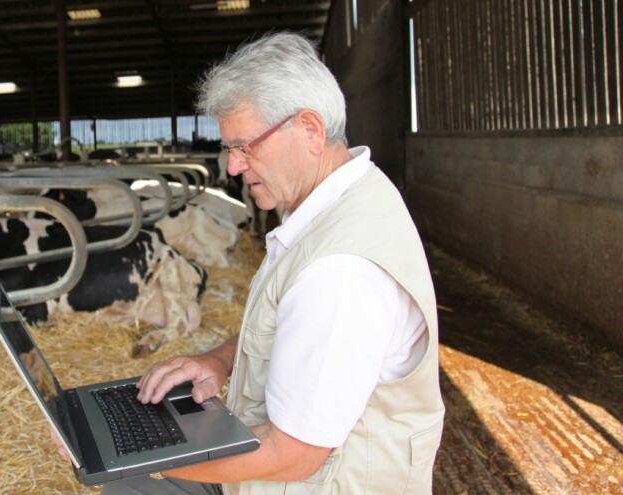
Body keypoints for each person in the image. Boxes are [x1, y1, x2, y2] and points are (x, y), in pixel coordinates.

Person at [57, 31, 445, 495]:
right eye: (229, 149)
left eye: (247, 146)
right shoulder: (339, 202)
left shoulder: (338, 274)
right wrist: (219, 361)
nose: (233, 168)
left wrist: (137, 459)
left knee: (131, 480)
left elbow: (292, 455)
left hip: (313, 482)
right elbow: (297, 330)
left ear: (310, 130)